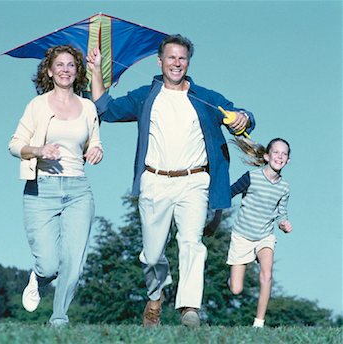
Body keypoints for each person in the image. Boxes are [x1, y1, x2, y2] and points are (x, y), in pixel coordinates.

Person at [87, 34, 255, 327]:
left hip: (194, 182)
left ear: (188, 62)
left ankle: (189, 308)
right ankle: (155, 296)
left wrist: (243, 117)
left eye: (182, 58)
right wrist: (96, 70)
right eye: (171, 57)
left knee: (192, 243)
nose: (176, 63)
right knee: (152, 255)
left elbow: (243, 116)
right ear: (160, 60)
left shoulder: (205, 98)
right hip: (155, 181)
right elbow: (106, 109)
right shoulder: (145, 96)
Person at [8, 45, 103, 327]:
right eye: (59, 65)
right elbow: (14, 145)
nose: (65, 70)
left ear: (77, 72)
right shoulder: (37, 106)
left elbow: (94, 140)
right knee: (50, 264)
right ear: (49, 71)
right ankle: (38, 277)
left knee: (73, 263)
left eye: (71, 65)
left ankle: (59, 318)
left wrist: (97, 150)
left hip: (78, 190)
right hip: (41, 190)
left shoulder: (88, 106)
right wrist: (39, 150)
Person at [227, 137, 292, 328]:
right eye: (276, 152)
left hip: (265, 236)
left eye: (284, 154)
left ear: (288, 160)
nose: (280, 156)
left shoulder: (284, 187)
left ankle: (259, 323)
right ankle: (231, 278)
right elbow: (228, 193)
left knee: (267, 274)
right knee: (236, 289)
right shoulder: (251, 177)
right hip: (242, 235)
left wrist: (283, 224)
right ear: (267, 156)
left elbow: (281, 214)